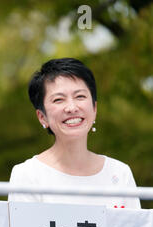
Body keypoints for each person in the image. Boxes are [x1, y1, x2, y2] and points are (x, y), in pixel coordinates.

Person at [8, 58, 141, 209]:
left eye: (80, 96)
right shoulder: (27, 175)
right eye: (58, 99)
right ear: (42, 117)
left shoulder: (119, 173)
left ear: (94, 108)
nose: (71, 108)